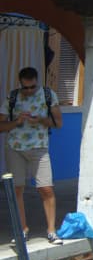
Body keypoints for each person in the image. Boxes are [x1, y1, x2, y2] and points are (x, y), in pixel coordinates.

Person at [0, 67, 63, 244]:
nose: (29, 91)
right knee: (17, 189)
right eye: (25, 88)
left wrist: (40, 120)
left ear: (37, 82)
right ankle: (22, 230)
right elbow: (1, 126)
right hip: (15, 148)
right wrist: (16, 122)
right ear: (20, 84)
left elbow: (58, 123)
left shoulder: (48, 95)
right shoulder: (12, 98)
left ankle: (51, 231)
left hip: (39, 148)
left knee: (46, 188)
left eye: (32, 87)